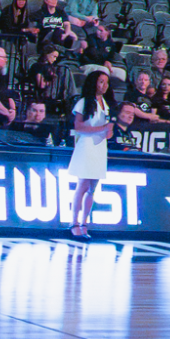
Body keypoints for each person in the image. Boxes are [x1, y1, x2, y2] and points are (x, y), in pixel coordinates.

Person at [66, 70, 114, 239]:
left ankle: (85, 221)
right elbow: (78, 126)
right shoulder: (84, 102)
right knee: (83, 184)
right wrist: (101, 129)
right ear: (94, 83)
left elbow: (107, 127)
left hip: (100, 146)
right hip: (87, 145)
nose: (104, 86)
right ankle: (74, 222)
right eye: (101, 82)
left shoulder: (105, 103)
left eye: (106, 82)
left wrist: (108, 130)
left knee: (92, 187)